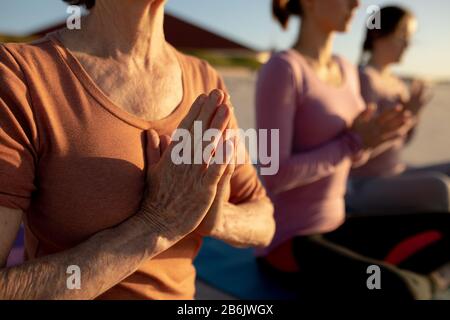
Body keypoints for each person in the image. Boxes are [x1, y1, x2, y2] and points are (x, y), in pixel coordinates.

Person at [0, 0, 275, 299]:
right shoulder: (21, 76)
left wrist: (214, 216)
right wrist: (157, 222)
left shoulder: (205, 81)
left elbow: (264, 220)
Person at [255, 0, 450, 299]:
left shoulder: (346, 70)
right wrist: (354, 143)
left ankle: (402, 278)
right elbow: (273, 174)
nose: (357, 3)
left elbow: (358, 152)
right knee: (403, 292)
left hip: (339, 224)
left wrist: (389, 129)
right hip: (289, 242)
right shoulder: (281, 69)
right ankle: (409, 281)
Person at [347, 5, 450, 214]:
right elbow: (360, 147)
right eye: (402, 34)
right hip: (363, 181)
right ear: (377, 33)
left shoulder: (397, 83)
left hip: (395, 170)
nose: (407, 44)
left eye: (410, 37)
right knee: (439, 188)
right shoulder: (364, 79)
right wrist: (406, 117)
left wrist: (414, 114)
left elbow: (402, 142)